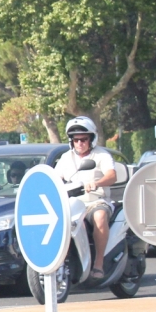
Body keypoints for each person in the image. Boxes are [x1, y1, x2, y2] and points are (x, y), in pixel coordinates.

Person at [53, 116, 117, 279]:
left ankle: (98, 264)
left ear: (91, 139)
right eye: (76, 140)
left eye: (83, 139)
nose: (79, 143)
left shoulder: (102, 155)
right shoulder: (66, 158)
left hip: (95, 202)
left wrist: (97, 183)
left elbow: (112, 175)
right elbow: (56, 177)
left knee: (100, 216)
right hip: (72, 203)